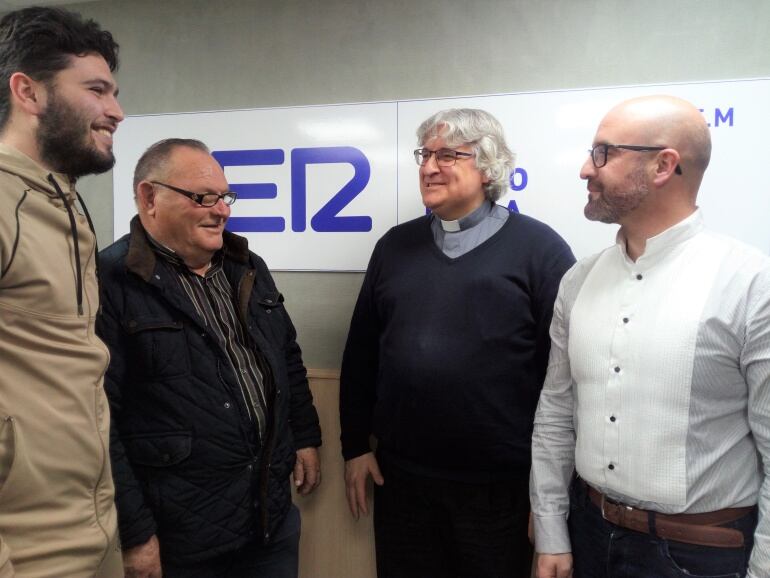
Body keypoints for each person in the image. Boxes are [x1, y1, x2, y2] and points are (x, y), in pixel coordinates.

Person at [530, 95, 770, 578]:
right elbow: (556, 414)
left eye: (604, 153)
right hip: (588, 536)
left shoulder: (751, 284)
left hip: (703, 554)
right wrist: (552, 530)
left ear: (663, 166)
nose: (584, 168)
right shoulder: (578, 281)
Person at [340, 108, 575, 578]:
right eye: (425, 154)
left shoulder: (540, 250)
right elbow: (362, 352)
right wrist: (354, 446)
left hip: (499, 490)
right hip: (402, 482)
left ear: (488, 167)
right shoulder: (393, 247)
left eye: (447, 155)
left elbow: (564, 380)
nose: (428, 167)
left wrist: (552, 500)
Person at [96, 138, 322, 578]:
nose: (222, 210)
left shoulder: (246, 264)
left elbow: (286, 354)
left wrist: (306, 436)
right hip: (180, 539)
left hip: (268, 521)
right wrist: (136, 534)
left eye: (224, 197)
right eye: (203, 198)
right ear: (149, 197)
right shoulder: (110, 282)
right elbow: (98, 420)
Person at [0, 7, 124, 577]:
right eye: (96, 90)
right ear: (28, 91)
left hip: (93, 534)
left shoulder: (66, 201)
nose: (116, 111)